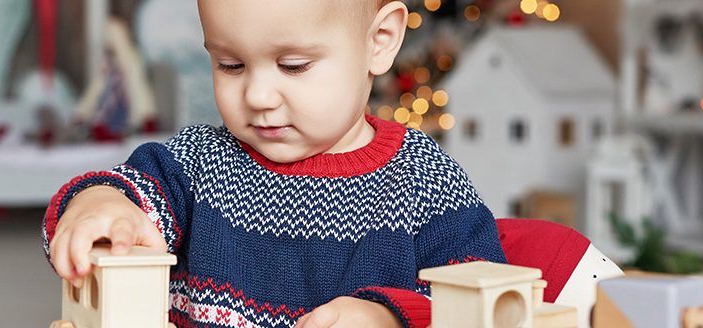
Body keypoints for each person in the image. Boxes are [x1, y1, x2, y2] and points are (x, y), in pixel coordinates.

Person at [42, 1, 506, 327]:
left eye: (294, 65)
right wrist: (98, 204)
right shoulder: (198, 163)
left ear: (379, 41)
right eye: (230, 65)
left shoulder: (427, 182)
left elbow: (481, 301)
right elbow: (127, 192)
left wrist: (389, 316)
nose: (258, 97)